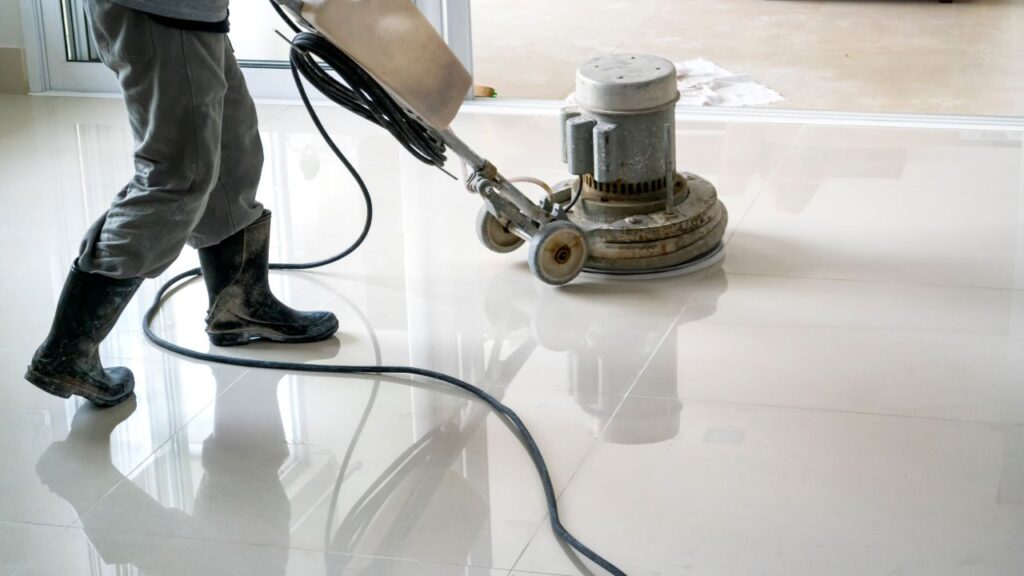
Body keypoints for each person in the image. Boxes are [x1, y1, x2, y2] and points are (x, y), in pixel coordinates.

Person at [25, 0, 338, 408]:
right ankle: (69, 351)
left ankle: (240, 305)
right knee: (176, 178)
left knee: (233, 153)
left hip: (191, 13)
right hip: (161, 13)